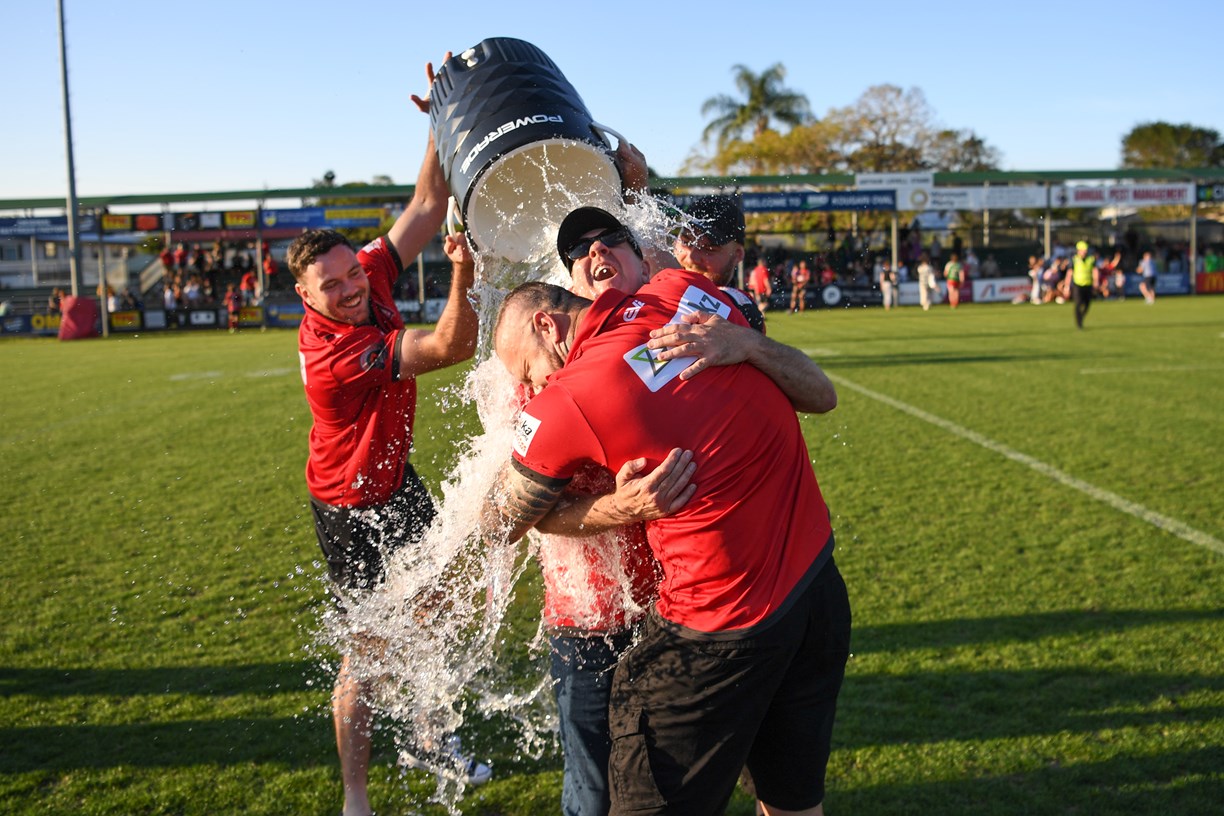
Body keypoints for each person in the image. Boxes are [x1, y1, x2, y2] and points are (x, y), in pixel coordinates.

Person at [485, 231, 848, 815]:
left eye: (527, 369)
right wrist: (747, 342)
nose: (530, 386)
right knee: (791, 803)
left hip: (716, 630)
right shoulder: (681, 293)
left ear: (549, 327)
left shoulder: (563, 402)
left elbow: (501, 522)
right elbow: (820, 395)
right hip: (815, 592)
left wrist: (617, 508)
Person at [288, 58, 486, 816]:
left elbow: (427, 204)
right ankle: (356, 797)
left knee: (431, 614)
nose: (351, 287)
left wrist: (440, 114)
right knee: (367, 654)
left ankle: (437, 740)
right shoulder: (334, 359)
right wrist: (462, 275)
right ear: (304, 298)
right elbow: (446, 350)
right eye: (331, 286)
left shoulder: (366, 272)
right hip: (348, 507)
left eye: (350, 274)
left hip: (395, 482)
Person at [673, 196, 765, 332]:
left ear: (738, 254)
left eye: (708, 249)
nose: (692, 257)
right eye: (686, 241)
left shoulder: (739, 310)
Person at [1070, 240, 1098, 328]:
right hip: (1077, 284)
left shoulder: (1091, 259)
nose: (1085, 252)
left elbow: (1095, 270)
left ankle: (1081, 316)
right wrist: (1067, 286)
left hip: (1088, 284)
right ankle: (1079, 323)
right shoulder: (1074, 259)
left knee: (1087, 304)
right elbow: (1070, 272)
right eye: (1083, 250)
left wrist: (1096, 281)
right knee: (1078, 303)